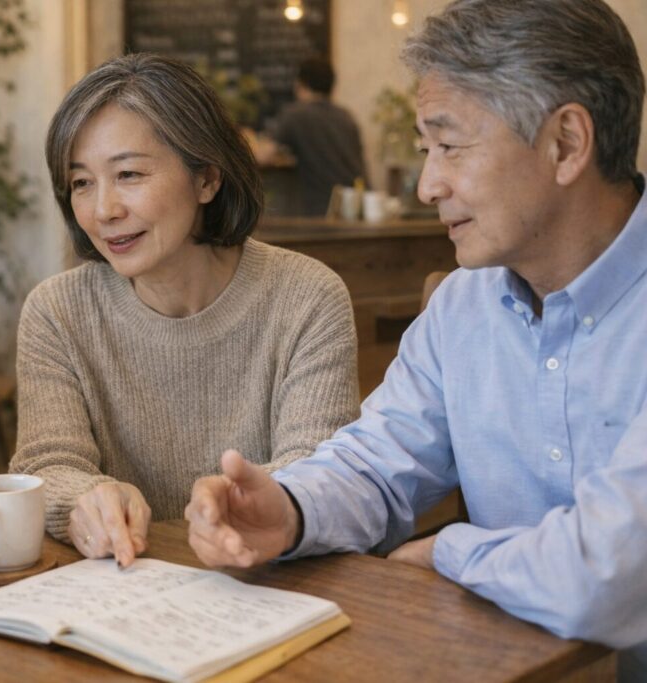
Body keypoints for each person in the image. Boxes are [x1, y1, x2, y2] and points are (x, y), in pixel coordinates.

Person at [185, 0, 647, 679]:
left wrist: (448, 552)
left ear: (567, 144)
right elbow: (377, 462)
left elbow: (610, 570)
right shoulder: (465, 305)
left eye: (450, 144)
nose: (428, 184)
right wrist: (286, 509)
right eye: (424, 148)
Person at [8, 53, 359, 568]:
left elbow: (319, 470)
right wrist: (85, 500)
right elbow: (50, 463)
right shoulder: (57, 312)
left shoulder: (306, 297)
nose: (103, 210)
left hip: (269, 587)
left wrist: (239, 505)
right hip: (124, 594)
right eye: (81, 182)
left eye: (128, 173)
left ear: (207, 179)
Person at [254, 58, 367, 216]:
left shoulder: (296, 114)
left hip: (321, 209)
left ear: (300, 84)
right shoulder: (346, 116)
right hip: (357, 205)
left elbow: (262, 156)